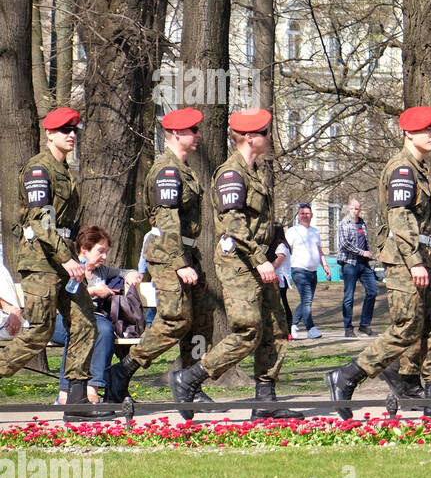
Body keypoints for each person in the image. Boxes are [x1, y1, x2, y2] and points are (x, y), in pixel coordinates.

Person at [325, 106, 431, 417]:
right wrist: (414, 261)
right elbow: (400, 217)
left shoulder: (419, 168)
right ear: (409, 133)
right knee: (407, 326)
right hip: (406, 260)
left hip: (426, 255)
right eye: (427, 129)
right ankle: (347, 376)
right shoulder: (402, 169)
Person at [168, 108, 290, 418]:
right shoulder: (231, 174)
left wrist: (273, 251)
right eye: (265, 133)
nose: (269, 137)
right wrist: (260, 259)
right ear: (249, 137)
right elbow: (234, 224)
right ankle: (190, 377)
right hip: (240, 263)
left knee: (275, 329)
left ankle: (265, 400)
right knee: (248, 329)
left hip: (259, 261)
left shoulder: (254, 172)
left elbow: (262, 223)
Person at [106, 107, 213, 402]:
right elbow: (167, 221)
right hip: (169, 254)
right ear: (176, 133)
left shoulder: (184, 169)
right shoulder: (166, 171)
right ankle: (123, 370)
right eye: (193, 130)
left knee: (200, 320)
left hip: (188, 252)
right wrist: (180, 264)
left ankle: (190, 382)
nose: (198, 135)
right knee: (176, 319)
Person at [0, 107, 98, 418]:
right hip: (41, 261)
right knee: (40, 330)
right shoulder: (38, 170)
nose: (71, 135)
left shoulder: (66, 170)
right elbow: (40, 221)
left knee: (85, 322)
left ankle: (77, 399)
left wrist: (73, 256)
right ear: (49, 134)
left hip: (64, 260)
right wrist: (67, 258)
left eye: (74, 130)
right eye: (64, 130)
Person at [56, 227, 142, 403]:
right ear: (84, 249)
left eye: (106, 252)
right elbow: (63, 297)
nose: (104, 256)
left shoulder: (101, 271)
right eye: (100, 251)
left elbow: (127, 272)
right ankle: (65, 392)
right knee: (77, 330)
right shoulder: (70, 268)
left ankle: (92, 389)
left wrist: (132, 276)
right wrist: (93, 291)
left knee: (104, 329)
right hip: (62, 318)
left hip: (93, 319)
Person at [286, 202, 331, 339]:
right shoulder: (293, 231)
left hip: (313, 271)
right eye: (302, 213)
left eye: (307, 213)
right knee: (307, 299)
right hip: (299, 270)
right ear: (298, 216)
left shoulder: (315, 232)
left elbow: (319, 250)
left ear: (311, 215)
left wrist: (325, 265)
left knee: (306, 300)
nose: (304, 216)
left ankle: (293, 325)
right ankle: (310, 328)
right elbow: (286, 250)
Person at [337, 197, 378, 338]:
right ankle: (348, 328)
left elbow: (365, 241)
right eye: (353, 208)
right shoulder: (344, 223)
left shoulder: (362, 223)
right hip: (350, 263)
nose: (356, 211)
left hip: (364, 264)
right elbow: (344, 244)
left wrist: (368, 254)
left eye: (358, 208)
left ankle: (364, 325)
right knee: (349, 297)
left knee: (372, 291)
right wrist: (362, 252)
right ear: (348, 209)